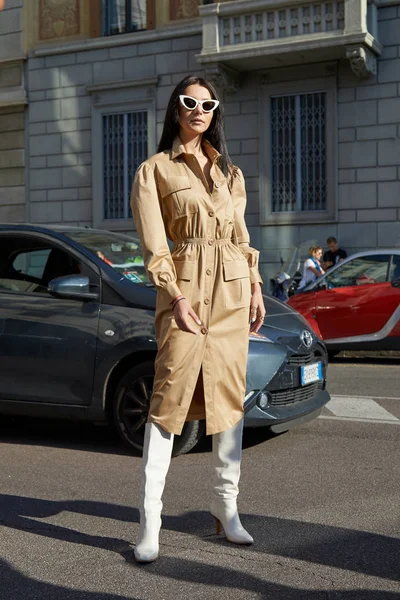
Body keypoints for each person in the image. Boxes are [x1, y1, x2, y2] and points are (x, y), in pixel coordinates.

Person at [130, 75, 265, 563]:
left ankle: (225, 506)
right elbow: (155, 246)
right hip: (184, 297)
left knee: (229, 401)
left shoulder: (231, 173)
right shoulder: (155, 171)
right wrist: (174, 295)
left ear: (215, 113)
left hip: (230, 299)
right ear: (176, 108)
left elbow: (241, 237)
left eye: (208, 104)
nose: (199, 110)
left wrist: (254, 286)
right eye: (190, 102)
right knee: (167, 401)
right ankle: (150, 522)